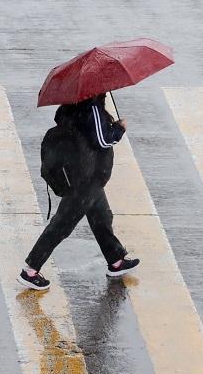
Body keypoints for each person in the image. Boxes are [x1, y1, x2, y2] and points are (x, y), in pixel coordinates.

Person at [18, 94, 140, 290]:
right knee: (61, 225)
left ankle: (116, 261)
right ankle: (30, 270)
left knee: (102, 217)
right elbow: (102, 140)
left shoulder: (69, 106)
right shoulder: (91, 110)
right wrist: (119, 128)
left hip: (83, 174)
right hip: (85, 178)